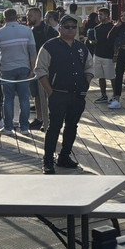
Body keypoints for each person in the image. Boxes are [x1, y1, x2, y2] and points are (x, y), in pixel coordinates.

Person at [36, 15, 95, 174]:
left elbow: (89, 67)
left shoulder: (81, 47)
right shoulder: (50, 46)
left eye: (73, 27)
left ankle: (64, 156)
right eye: (67, 26)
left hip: (77, 95)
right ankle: (48, 160)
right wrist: (50, 92)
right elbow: (40, 69)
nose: (70, 29)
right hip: (58, 94)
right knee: (54, 127)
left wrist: (86, 84)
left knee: (72, 126)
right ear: (60, 28)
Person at [0, 7, 37, 134]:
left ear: (4, 18)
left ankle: (8, 127)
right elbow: (32, 52)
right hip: (24, 67)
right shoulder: (27, 31)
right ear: (17, 17)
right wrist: (33, 68)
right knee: (24, 98)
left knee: (8, 98)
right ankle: (24, 127)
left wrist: (0, 66)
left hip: (7, 68)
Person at [28, 7, 59, 131]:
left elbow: (57, 44)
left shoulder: (48, 30)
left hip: (48, 67)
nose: (28, 17)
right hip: (34, 66)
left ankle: (50, 119)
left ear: (37, 16)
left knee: (49, 93)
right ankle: (40, 118)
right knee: (36, 94)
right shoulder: (29, 31)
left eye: (30, 15)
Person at [89, 9, 116, 103]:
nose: (99, 16)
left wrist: (115, 54)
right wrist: (91, 41)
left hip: (108, 55)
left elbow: (115, 42)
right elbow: (93, 41)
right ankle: (103, 95)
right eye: (98, 14)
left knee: (112, 76)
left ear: (107, 15)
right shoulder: (96, 28)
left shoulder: (112, 27)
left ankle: (115, 95)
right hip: (98, 54)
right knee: (100, 76)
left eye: (101, 14)